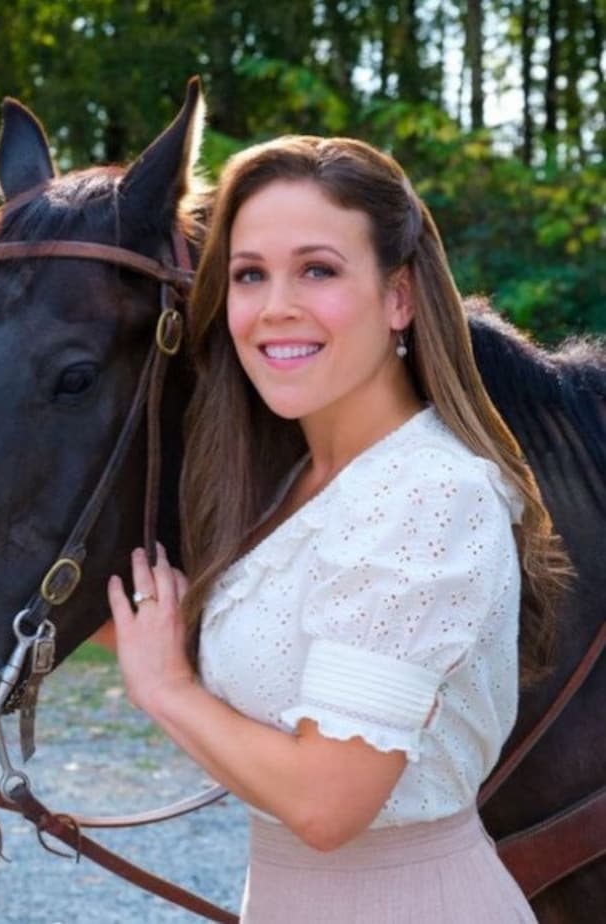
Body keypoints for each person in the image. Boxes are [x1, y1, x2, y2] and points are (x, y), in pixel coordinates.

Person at [102, 135, 570, 922]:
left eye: (317, 270)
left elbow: (328, 804)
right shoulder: (297, 487)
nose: (276, 305)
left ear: (399, 298)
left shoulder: (425, 492)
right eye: (251, 274)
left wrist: (168, 690)